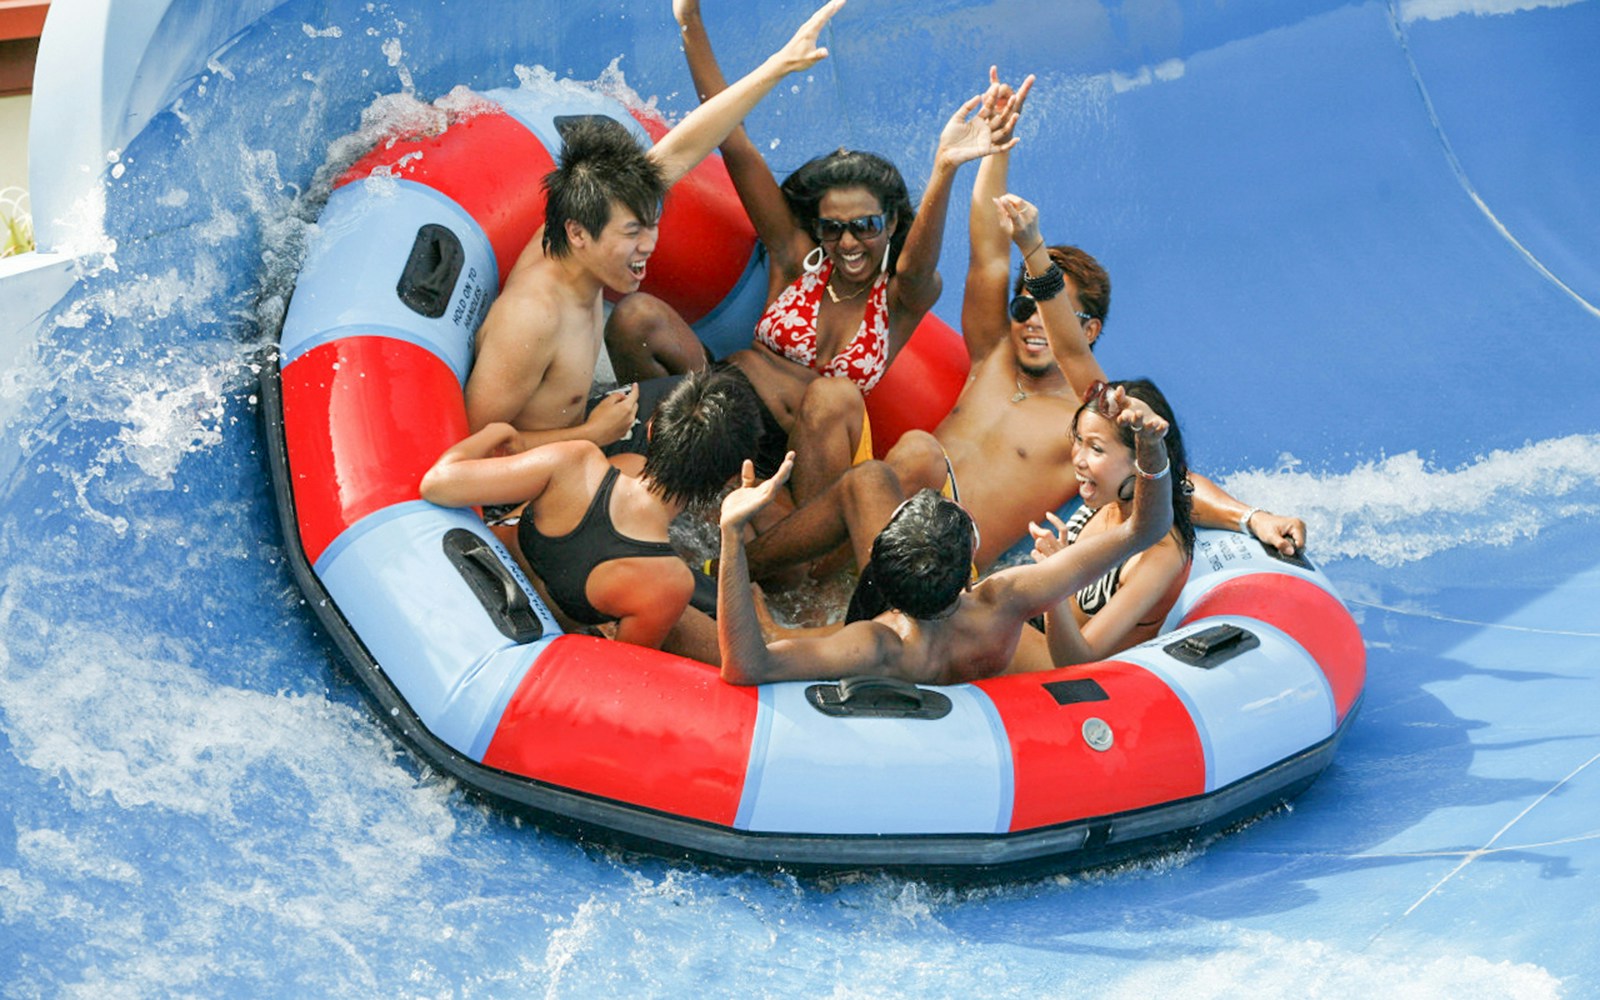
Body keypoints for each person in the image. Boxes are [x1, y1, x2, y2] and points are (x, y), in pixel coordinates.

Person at [746, 72, 1304, 582]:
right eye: (1022, 309)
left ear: (1089, 332)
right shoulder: (991, 356)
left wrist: (1249, 515)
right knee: (849, 442)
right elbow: (989, 253)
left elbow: (1167, 479)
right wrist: (994, 148)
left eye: (1052, 313)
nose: (1032, 325)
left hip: (940, 561)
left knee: (914, 451)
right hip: (870, 524)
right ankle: (770, 572)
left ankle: (786, 573)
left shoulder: (1089, 412)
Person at [623, 0, 1023, 495]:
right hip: (720, 410)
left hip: (797, 462)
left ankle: (791, 549)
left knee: (834, 396)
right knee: (638, 316)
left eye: (865, 226)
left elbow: (918, 267)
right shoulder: (798, 256)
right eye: (833, 228)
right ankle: (640, 449)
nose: (848, 242)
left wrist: (945, 166)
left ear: (893, 220)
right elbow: (736, 143)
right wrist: (689, 22)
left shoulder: (900, 298)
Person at [462, 0, 846, 452]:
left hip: (585, 431)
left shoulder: (592, 217)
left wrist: (777, 66)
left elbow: (686, 147)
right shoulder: (532, 317)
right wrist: (591, 435)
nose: (648, 245)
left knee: (711, 411)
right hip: (543, 481)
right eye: (632, 234)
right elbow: (476, 447)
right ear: (578, 233)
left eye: (652, 226)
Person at [714, 382, 1173, 686]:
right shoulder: (1003, 602)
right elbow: (1146, 526)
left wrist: (732, 535)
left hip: (898, 646)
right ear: (966, 574)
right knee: (868, 482)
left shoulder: (882, 642)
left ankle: (724, 565)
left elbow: (747, 666)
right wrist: (1151, 446)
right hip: (984, 678)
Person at [421, 368, 761, 661]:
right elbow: (611, 673)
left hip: (456, 577)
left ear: (652, 428)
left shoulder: (576, 462)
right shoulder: (668, 582)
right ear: (729, 480)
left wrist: (493, 432)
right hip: (512, 640)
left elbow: (436, 485)